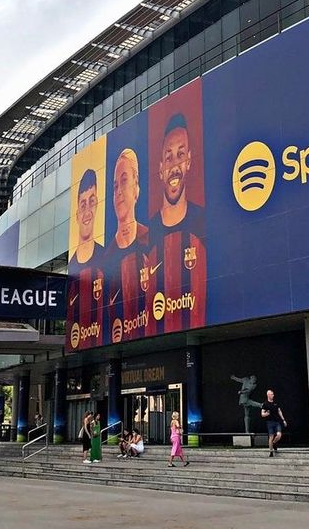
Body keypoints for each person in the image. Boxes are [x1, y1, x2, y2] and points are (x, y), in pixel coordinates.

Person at [148, 112, 206, 334]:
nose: (174, 165)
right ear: (161, 167)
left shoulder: (203, 223)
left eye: (180, 154)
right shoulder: (147, 234)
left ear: (189, 161)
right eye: (169, 157)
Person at [105, 149, 150, 342]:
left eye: (124, 181)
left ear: (136, 188)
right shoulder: (106, 257)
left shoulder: (152, 241)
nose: (119, 192)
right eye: (115, 186)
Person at [67, 169, 107, 351]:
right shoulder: (71, 268)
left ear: (97, 205)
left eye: (92, 202)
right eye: (83, 204)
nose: (87, 211)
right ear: (76, 214)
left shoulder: (108, 258)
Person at [261, 389, 287, 457]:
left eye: (273, 394)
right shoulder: (265, 404)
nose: (273, 395)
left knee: (279, 435)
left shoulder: (276, 403)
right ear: (268, 395)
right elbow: (262, 414)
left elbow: (279, 411)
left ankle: (274, 443)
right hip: (270, 422)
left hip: (277, 421)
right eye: (271, 394)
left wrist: (283, 420)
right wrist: (266, 414)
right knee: (271, 436)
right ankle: (271, 451)